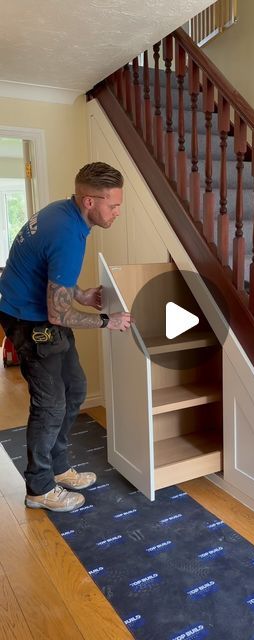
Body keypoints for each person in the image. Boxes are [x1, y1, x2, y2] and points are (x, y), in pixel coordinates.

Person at [0, 162, 134, 512]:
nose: (117, 212)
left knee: (74, 388)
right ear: (89, 201)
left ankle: (58, 467)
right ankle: (39, 488)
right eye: (113, 205)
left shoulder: (64, 213)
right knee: (50, 404)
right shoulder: (68, 234)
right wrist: (108, 320)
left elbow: (50, 274)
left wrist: (80, 295)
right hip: (28, 321)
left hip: (37, 310)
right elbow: (58, 315)